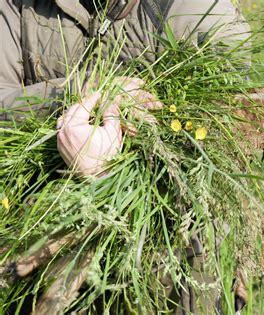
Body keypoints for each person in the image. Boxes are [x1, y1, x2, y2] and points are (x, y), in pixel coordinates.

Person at [0, 0, 250, 313]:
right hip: (34, 212)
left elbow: (229, 134)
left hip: (161, 234)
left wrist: (128, 137)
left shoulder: (196, 9)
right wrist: (82, 94)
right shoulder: (18, 6)